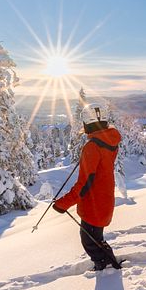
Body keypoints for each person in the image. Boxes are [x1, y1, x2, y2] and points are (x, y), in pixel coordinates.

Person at [53, 103, 122, 271]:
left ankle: (105, 269)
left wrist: (63, 203)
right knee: (95, 238)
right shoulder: (109, 142)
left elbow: (84, 184)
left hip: (93, 204)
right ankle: (108, 265)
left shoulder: (92, 146)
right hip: (104, 199)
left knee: (89, 241)